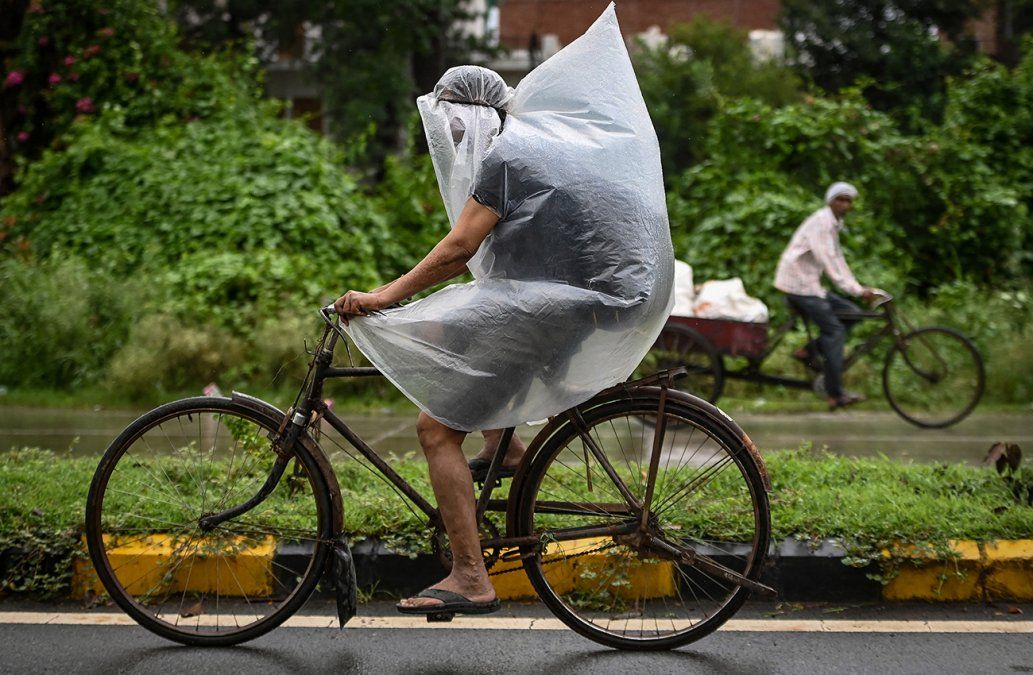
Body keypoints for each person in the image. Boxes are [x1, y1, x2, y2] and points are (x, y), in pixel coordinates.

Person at [334, 11, 674, 619]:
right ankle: (508, 452)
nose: (454, 140)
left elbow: (459, 250)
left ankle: (470, 576)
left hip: (577, 302)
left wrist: (385, 297)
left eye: (453, 126)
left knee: (435, 430)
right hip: (603, 298)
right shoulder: (539, 147)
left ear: (467, 116)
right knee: (472, 327)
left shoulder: (508, 159)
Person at [774, 182, 877, 409]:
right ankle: (835, 393)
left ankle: (808, 351)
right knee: (834, 331)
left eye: (848, 200)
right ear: (830, 201)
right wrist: (855, 290)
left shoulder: (834, 224)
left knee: (852, 314)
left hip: (810, 284)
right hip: (797, 285)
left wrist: (858, 289)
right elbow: (828, 262)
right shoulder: (821, 223)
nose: (844, 204)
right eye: (840, 199)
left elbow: (839, 258)